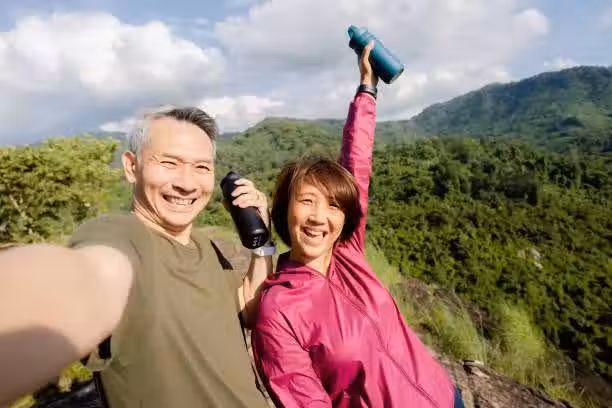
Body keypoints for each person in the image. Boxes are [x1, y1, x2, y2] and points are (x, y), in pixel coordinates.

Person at [0, 106, 273, 407]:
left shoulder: (208, 247)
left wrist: (262, 242)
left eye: (201, 167)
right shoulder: (119, 234)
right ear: (132, 166)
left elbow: (248, 310)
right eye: (169, 163)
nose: (187, 183)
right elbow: (91, 276)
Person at [251, 43, 463, 407]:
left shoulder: (348, 253)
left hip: (445, 395)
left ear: (344, 217)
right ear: (284, 210)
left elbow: (356, 165)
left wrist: (367, 87)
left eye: (333, 205)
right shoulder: (278, 309)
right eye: (307, 201)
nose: (319, 216)